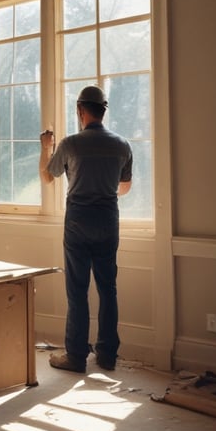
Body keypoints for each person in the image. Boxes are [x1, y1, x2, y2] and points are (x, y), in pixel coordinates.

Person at [39, 86, 132, 373]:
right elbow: (125, 188)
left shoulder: (70, 144)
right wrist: (102, 188)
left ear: (80, 110)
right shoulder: (122, 145)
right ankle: (106, 355)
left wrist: (46, 148)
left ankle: (76, 356)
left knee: (77, 290)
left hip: (78, 219)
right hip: (107, 217)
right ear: (104, 110)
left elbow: (47, 178)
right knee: (108, 288)